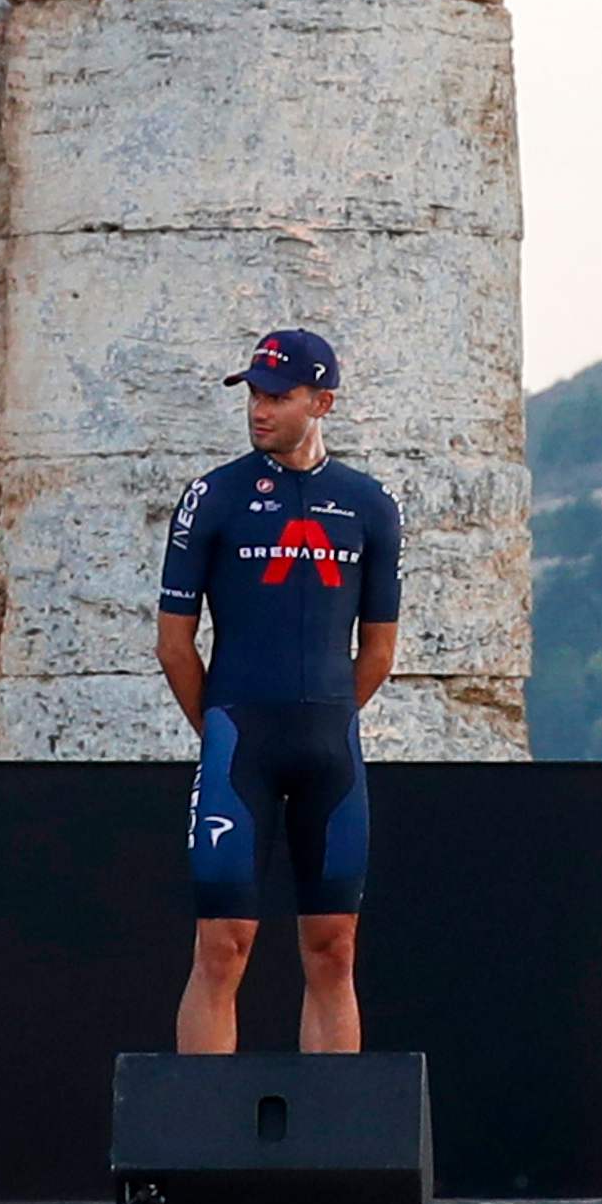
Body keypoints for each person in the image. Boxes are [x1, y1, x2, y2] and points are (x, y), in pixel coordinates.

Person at [157, 330, 400, 1061]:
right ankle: (199, 1141)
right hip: (239, 742)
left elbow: (379, 649)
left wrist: (324, 715)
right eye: (254, 395)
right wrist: (223, 725)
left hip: (329, 743)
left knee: (333, 948)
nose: (259, 410)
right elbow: (174, 642)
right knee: (223, 947)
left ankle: (334, 1147)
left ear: (321, 402)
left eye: (277, 395)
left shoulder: (368, 503)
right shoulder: (213, 495)